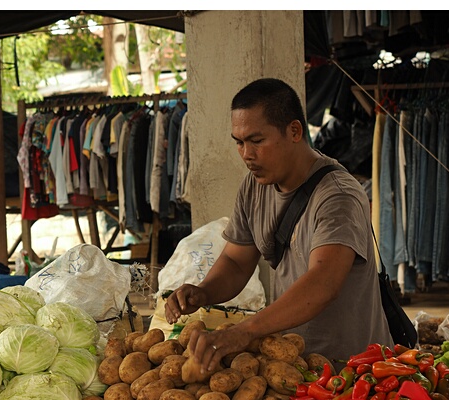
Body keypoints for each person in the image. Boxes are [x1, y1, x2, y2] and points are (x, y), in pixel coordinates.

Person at [165, 77, 392, 373]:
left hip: (354, 371)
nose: (247, 154)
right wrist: (203, 292)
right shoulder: (255, 185)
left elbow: (323, 283)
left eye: (257, 141)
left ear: (294, 131)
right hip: (292, 365)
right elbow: (236, 261)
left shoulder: (338, 195)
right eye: (239, 142)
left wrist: (245, 330)